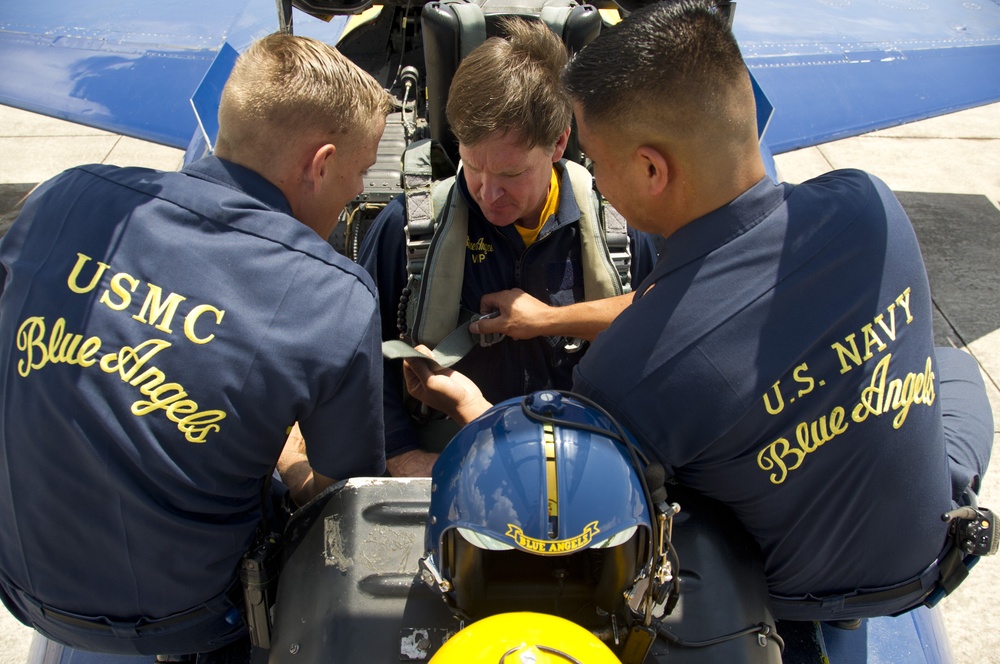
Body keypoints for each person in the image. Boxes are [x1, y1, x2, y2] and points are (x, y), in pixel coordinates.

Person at [403, 0, 994, 623]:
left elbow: (554, 500)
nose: (594, 182)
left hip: (792, 595)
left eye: (597, 163)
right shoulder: (870, 208)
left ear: (653, 167)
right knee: (951, 365)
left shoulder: (631, 371)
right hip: (932, 548)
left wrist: (471, 407)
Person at [0, 33, 392, 656]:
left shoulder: (63, 198)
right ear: (320, 164)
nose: (355, 196)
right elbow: (349, 498)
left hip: (25, 593)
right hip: (192, 623)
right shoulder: (333, 297)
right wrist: (291, 464)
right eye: (361, 171)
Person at [358, 17, 658, 477]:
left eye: (512, 174)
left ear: (559, 143)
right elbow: (360, 357)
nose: (488, 192)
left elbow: (664, 330)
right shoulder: (409, 229)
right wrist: (402, 457)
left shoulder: (619, 228)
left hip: (587, 471)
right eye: (473, 166)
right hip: (449, 464)